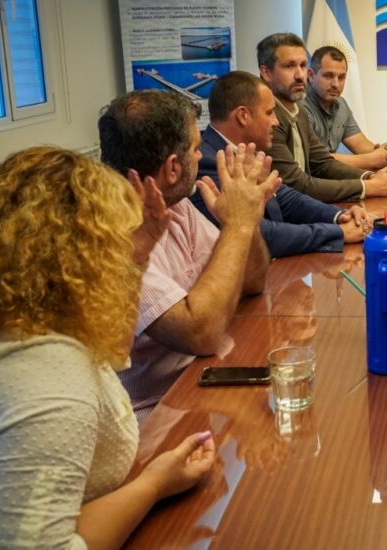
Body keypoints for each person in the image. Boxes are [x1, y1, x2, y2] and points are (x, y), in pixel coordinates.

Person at [0, 146, 216, 548]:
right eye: (117, 248)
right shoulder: (45, 379)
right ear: (85, 258)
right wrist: (153, 485)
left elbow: (113, 350)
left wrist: (136, 258)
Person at [98, 89, 275, 420]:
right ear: (173, 168)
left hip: (200, 381)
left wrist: (246, 220)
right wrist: (237, 226)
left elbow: (252, 282)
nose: (200, 156)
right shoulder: (112, 234)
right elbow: (200, 333)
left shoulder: (175, 206)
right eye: (195, 149)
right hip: (151, 414)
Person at [193, 71, 372, 257]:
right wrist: (340, 233)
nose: (276, 122)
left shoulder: (245, 151)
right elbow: (259, 233)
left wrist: (338, 215)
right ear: (243, 116)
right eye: (269, 113)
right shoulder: (207, 163)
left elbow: (284, 198)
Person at [258, 32, 387, 203]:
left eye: (302, 65)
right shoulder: (265, 117)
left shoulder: (299, 112)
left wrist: (371, 177)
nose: (299, 75)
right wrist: (370, 186)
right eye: (289, 66)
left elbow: (323, 163)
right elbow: (299, 185)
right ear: (266, 73)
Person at [301, 46, 387, 170]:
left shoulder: (341, 104)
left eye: (341, 77)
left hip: (331, 177)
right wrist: (373, 159)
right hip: (309, 182)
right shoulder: (300, 106)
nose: (335, 84)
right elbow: (316, 160)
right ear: (310, 75)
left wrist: (384, 153)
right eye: (328, 76)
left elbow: (362, 145)